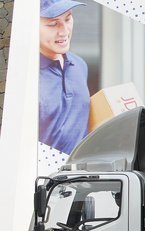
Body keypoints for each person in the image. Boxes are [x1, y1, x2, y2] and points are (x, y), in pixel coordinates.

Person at [39, 0, 90, 154]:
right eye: (53, 24)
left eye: (67, 19)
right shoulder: (26, 77)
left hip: (82, 167)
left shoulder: (80, 65)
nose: (64, 31)